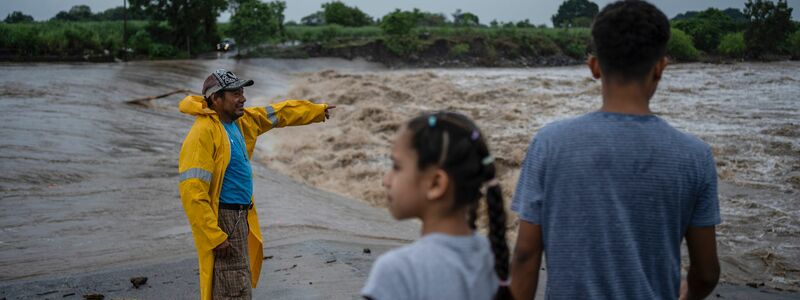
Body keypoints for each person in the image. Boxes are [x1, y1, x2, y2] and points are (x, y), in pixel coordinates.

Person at [509, 1, 721, 299]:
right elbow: (707, 272)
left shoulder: (549, 144)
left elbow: (526, 256)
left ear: (594, 67)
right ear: (660, 67)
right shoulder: (695, 156)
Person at [178, 69, 334, 299]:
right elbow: (192, 192)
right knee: (231, 284)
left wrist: (316, 111)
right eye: (235, 93)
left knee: (238, 278)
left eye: (242, 92)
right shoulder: (203, 132)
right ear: (216, 99)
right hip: (224, 220)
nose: (243, 98)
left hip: (241, 216)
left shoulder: (241, 122)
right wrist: (214, 236)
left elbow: (279, 114)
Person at [362, 112, 512, 300]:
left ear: (435, 184)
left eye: (397, 166)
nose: (386, 180)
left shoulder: (398, 270)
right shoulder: (492, 256)